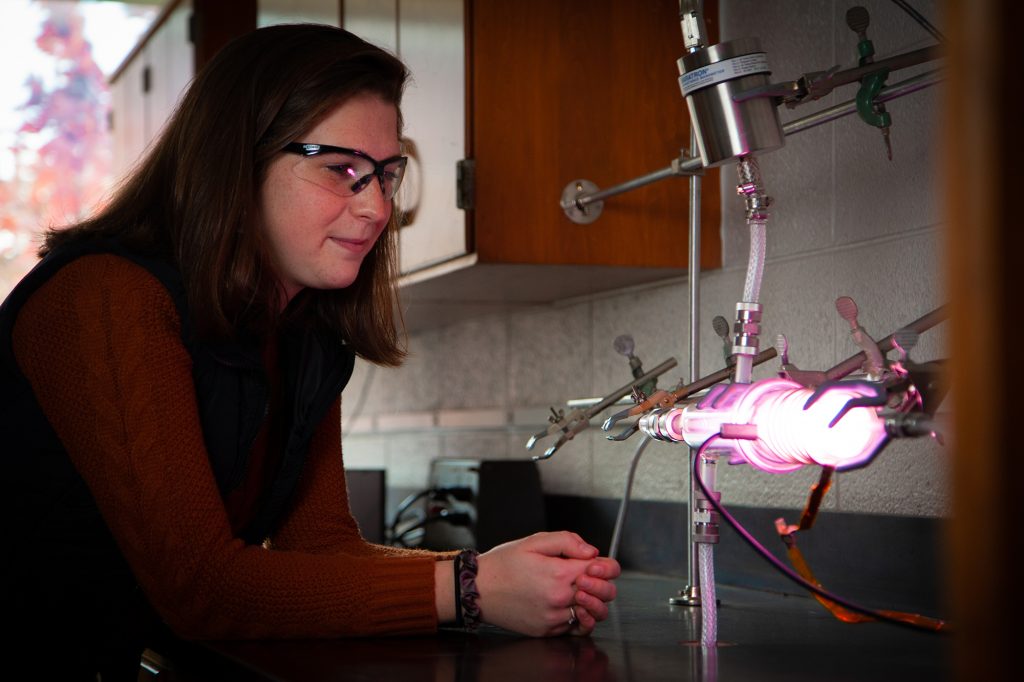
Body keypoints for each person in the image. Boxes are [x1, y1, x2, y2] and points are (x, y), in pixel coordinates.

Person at [0, 24, 620, 680]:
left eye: (387, 174)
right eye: (342, 170)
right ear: (237, 162)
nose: (378, 208)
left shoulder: (302, 333)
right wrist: (469, 588)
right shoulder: (105, 295)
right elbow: (199, 589)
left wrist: (494, 573)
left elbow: (321, 547)